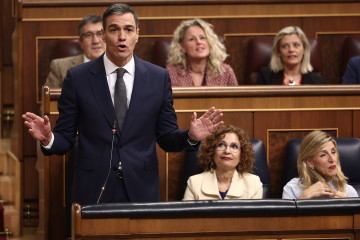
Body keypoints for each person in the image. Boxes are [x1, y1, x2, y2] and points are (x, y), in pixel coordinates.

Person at [23, 3, 224, 205]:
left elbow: (166, 137)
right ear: (103, 35)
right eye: (114, 29)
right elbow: (65, 139)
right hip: (93, 188)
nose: (122, 37)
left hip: (141, 187)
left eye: (128, 29)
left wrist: (190, 137)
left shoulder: (158, 78)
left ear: (137, 34)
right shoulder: (78, 78)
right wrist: (48, 138)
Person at [183, 125, 263, 200]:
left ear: (241, 155)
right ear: (212, 151)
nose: (227, 151)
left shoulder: (254, 183)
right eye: (221, 145)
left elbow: (256, 215)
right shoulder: (194, 182)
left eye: (234, 146)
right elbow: (185, 215)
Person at [282, 130, 358, 199]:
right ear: (309, 162)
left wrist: (348, 205)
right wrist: (303, 199)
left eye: (333, 152)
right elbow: (286, 214)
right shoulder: (292, 189)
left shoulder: (349, 191)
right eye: (323, 155)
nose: (332, 159)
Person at [166, 18, 238, 86]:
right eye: (192, 39)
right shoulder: (171, 73)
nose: (199, 42)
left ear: (210, 43)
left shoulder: (226, 72)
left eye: (202, 38)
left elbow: (236, 99)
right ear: (182, 47)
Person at [44, 14, 106, 88]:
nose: (95, 41)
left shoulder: (119, 65)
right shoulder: (59, 67)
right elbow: (49, 98)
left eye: (100, 34)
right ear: (81, 42)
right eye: (88, 35)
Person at [255, 26, 325, 85]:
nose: (291, 50)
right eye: (285, 46)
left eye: (296, 45)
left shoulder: (317, 82)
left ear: (304, 49)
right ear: (279, 51)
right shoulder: (265, 77)